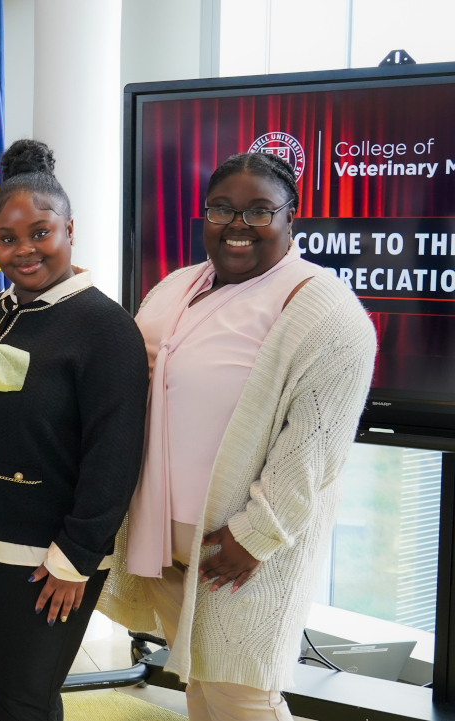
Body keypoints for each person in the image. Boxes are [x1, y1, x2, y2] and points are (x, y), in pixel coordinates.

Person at [98, 152, 376, 721]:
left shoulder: (326, 312)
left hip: (238, 554)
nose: (237, 225)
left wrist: (255, 535)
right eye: (222, 208)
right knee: (201, 688)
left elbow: (315, 452)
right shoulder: (177, 285)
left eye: (258, 211)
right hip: (170, 547)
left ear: (291, 217)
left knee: (244, 700)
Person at [0, 139, 148, 721]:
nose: (24, 250)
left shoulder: (106, 327)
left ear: (70, 228)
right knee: (9, 688)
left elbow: (114, 453)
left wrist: (76, 557)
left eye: (41, 233)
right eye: (9, 238)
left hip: (49, 559)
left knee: (26, 697)